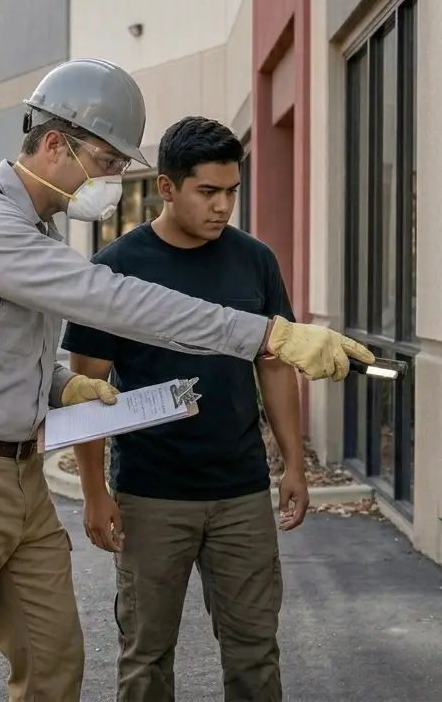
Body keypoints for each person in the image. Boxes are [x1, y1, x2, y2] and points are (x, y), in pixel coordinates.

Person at [0, 59, 374, 702]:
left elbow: (4, 353)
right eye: (109, 161)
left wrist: (62, 386)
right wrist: (270, 335)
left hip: (21, 474)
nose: (115, 179)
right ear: (56, 143)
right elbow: (113, 301)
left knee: (54, 666)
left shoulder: (36, 229)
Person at [61, 115, 306, 702]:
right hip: (150, 495)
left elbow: (273, 365)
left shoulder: (255, 261)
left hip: (241, 491)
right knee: (146, 658)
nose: (223, 206)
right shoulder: (117, 269)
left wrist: (292, 462)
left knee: (255, 652)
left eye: (232, 192)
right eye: (208, 192)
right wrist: (96, 491)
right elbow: (86, 389)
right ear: (166, 187)